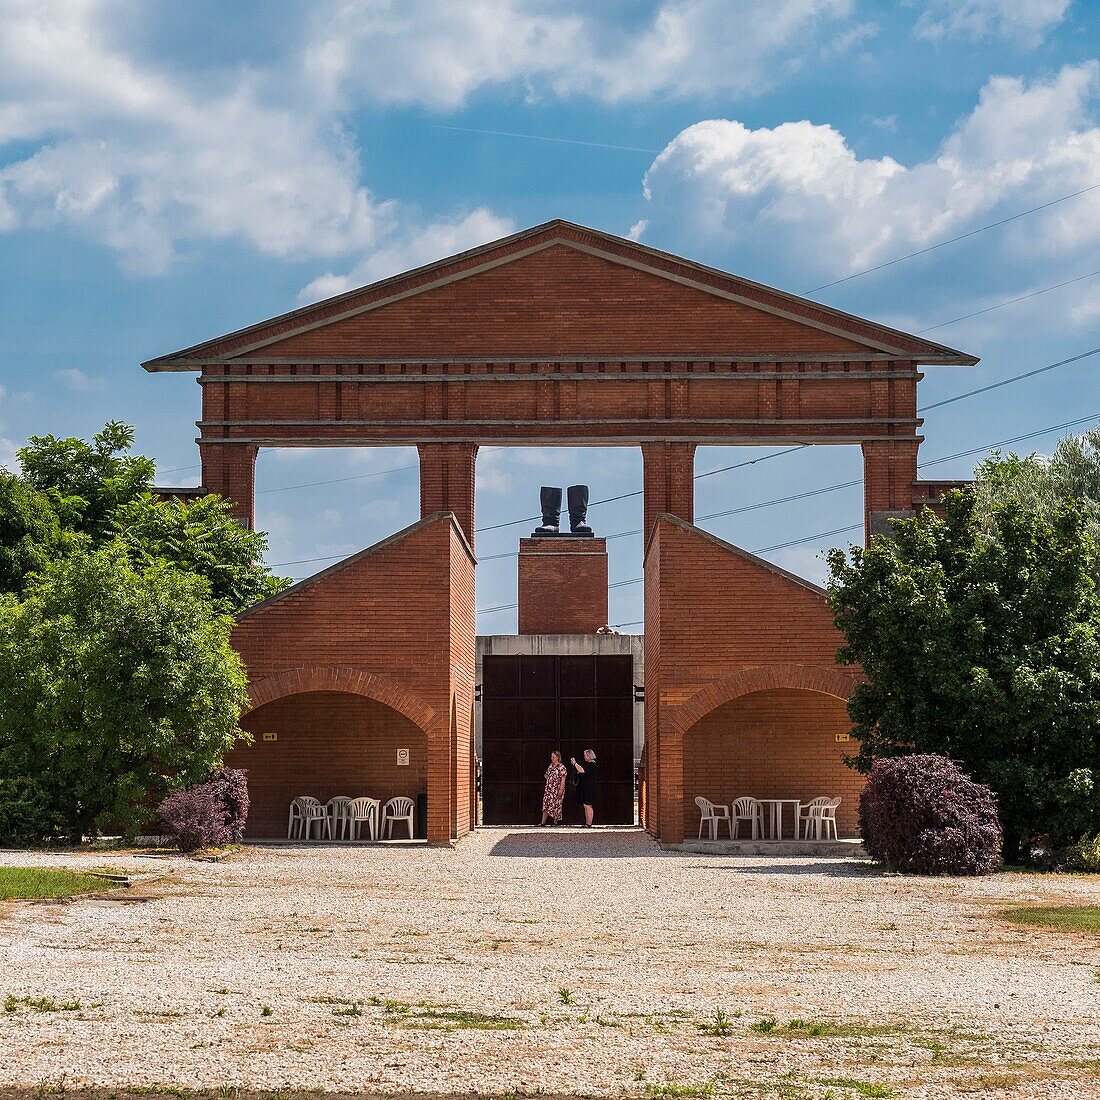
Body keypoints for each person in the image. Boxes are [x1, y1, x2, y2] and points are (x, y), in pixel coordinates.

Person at [570, 749, 597, 828]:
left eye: (585, 755)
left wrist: (575, 763)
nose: (584, 757)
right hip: (585, 787)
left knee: (588, 805)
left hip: (589, 788)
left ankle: (589, 823)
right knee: (585, 805)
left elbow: (582, 770)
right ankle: (587, 823)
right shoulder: (588, 764)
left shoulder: (592, 765)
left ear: (589, 755)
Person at [539, 751, 567, 827]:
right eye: (551, 757)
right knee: (546, 804)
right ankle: (543, 822)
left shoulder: (562, 767)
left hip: (557, 788)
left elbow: (563, 779)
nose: (551, 758)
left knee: (556, 804)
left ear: (558, 757)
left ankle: (555, 822)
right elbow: (546, 774)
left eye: (553, 757)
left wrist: (561, 789)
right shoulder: (551, 766)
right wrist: (547, 777)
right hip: (549, 789)